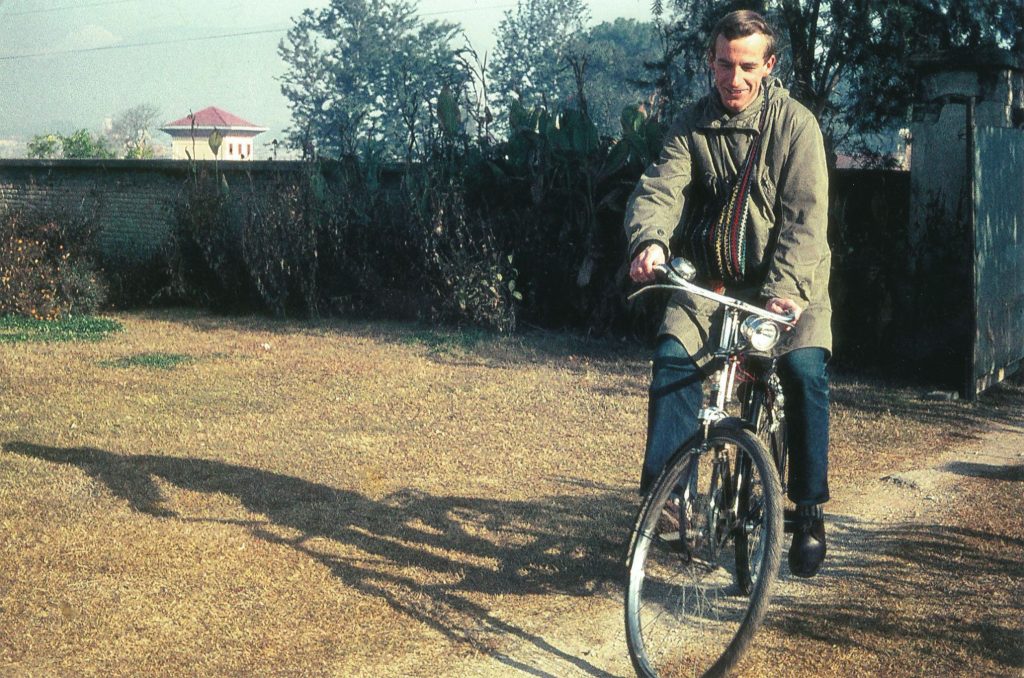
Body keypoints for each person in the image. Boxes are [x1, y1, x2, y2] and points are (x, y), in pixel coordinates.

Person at [624, 9, 831, 578]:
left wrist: (786, 295)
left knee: (804, 370)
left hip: (790, 281)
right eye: (723, 64)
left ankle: (808, 510)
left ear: (768, 66)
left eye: (746, 67)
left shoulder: (796, 127)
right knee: (673, 354)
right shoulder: (691, 124)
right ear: (710, 61)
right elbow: (661, 188)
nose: (733, 79)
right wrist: (650, 242)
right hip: (715, 282)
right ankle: (669, 500)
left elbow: (804, 223)